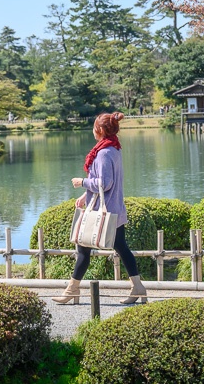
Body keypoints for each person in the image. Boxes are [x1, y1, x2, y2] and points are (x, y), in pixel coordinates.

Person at [52, 111, 146, 306]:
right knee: (121, 248)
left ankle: (72, 290)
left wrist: (82, 182)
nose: (93, 131)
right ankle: (137, 287)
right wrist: (85, 196)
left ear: (101, 130)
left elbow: (105, 183)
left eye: (95, 128)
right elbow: (106, 184)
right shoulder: (114, 148)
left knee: (83, 249)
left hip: (105, 212)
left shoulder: (103, 153)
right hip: (114, 209)